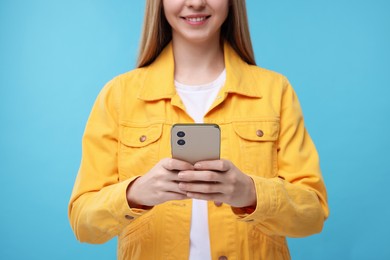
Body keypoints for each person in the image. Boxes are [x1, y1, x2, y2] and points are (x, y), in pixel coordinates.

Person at [68, 0, 329, 259]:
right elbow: (83, 222)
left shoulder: (275, 91)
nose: (195, 3)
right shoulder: (118, 96)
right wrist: (135, 193)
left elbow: (313, 215)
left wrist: (250, 193)